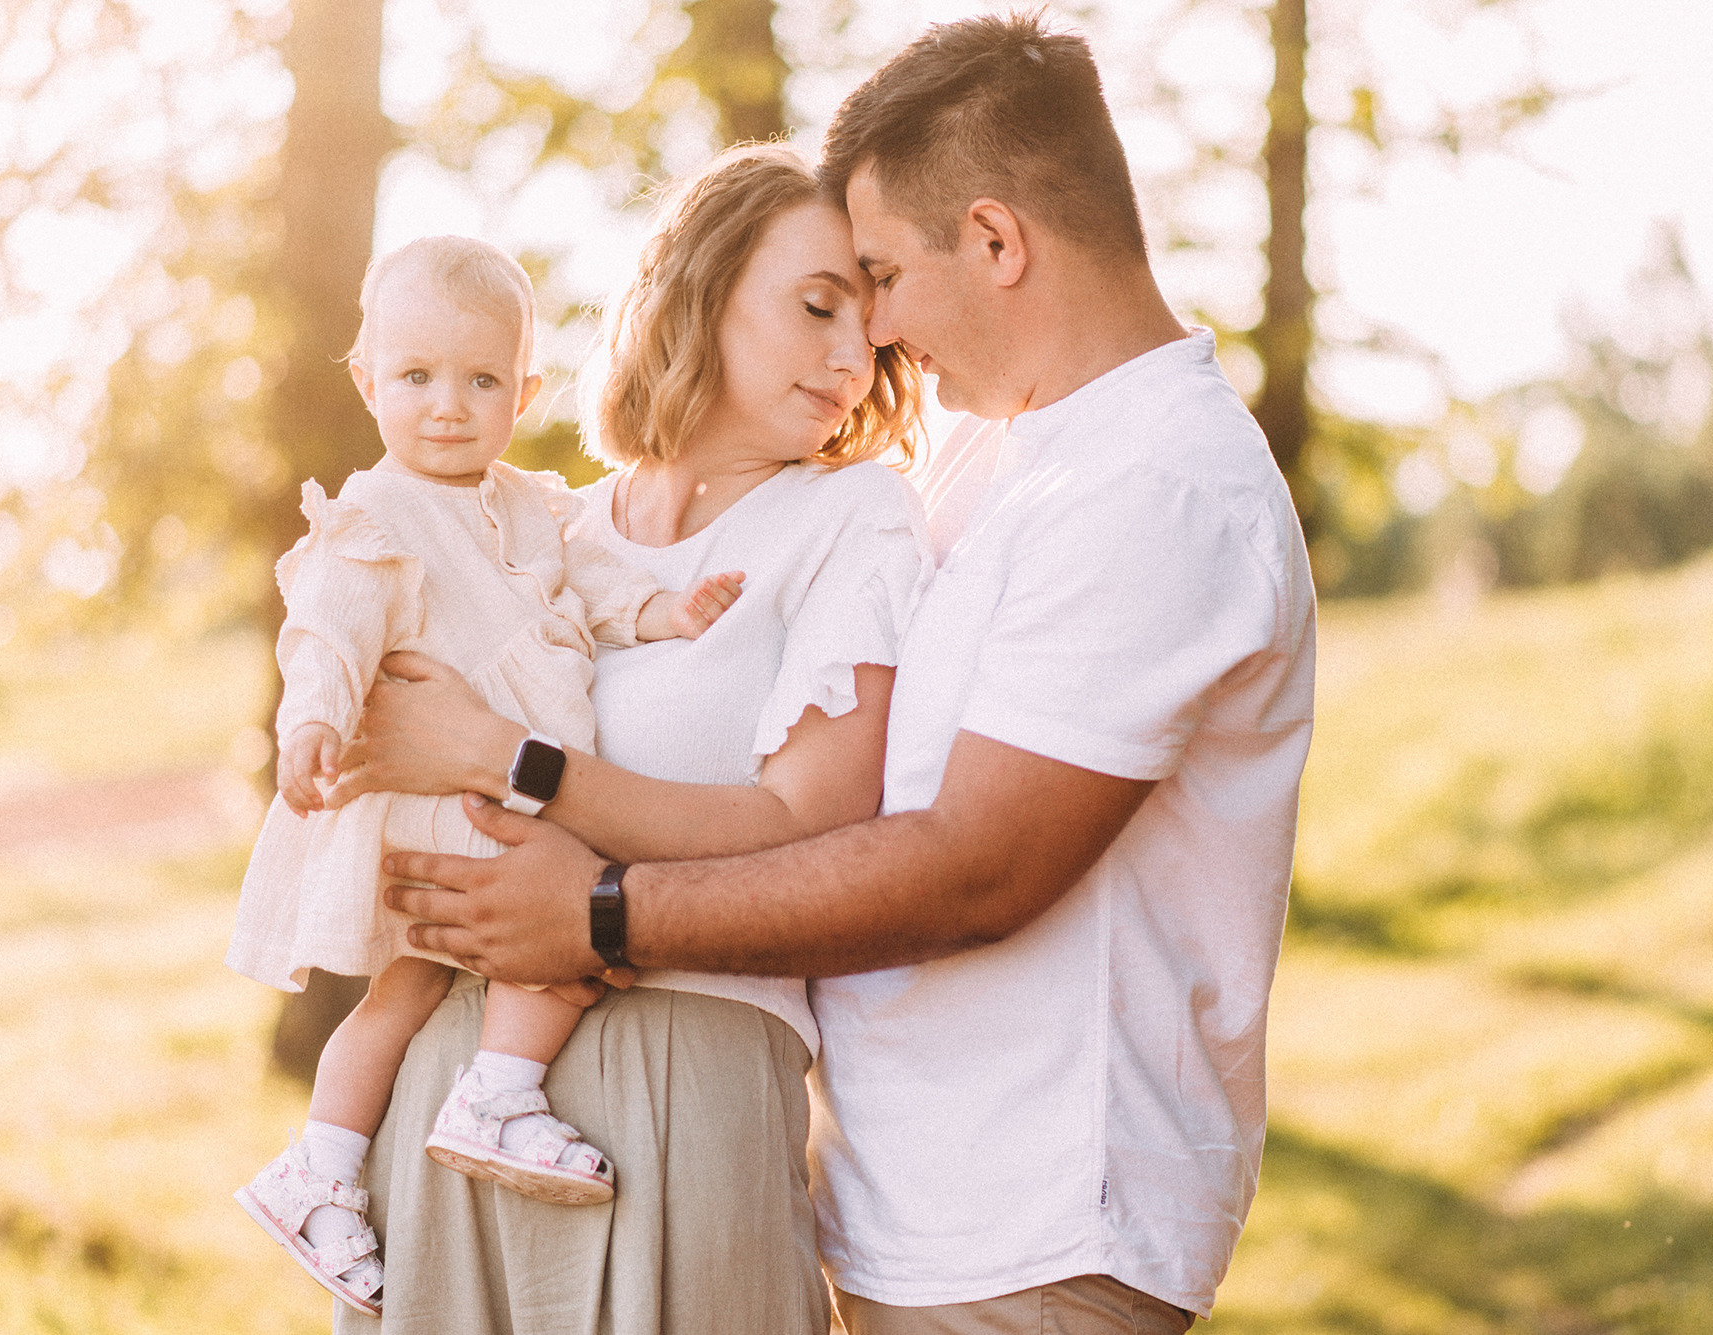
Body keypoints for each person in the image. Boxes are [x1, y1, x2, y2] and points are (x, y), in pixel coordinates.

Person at [372, 13, 1317, 1334]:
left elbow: (974, 867)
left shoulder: (1154, 486)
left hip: (1037, 1224)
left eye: (879, 276)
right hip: (908, 1207)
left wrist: (596, 913)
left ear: (995, 242)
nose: (874, 331)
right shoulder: (1012, 454)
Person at [321, 144, 927, 1333]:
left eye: (870, 330)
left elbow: (806, 830)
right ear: (700, 286)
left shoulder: (849, 519)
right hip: (440, 1069)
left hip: (683, 1071)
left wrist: (503, 759)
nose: (850, 359)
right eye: (816, 307)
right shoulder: (543, 527)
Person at [226, 234, 751, 1314]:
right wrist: (311, 719)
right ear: (368, 382)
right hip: (450, 800)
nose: (446, 407)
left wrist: (665, 612)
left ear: (525, 391)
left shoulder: (534, 507)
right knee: (565, 937)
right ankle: (498, 1095)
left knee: (409, 988)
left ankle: (321, 1164)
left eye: (478, 381)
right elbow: (327, 632)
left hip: (502, 780)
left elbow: (598, 586)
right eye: (416, 377)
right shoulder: (374, 517)